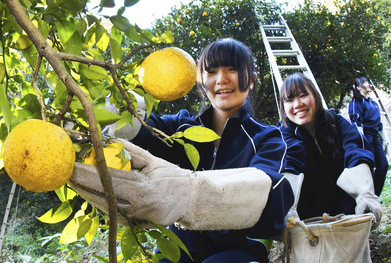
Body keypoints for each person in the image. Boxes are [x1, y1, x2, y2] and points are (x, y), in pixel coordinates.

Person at [69, 38, 301, 263]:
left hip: (240, 251)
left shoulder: (267, 137)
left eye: (232, 69)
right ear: (200, 81)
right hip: (180, 249)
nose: (221, 79)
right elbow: (145, 134)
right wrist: (115, 111)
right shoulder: (182, 128)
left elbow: (270, 190)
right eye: (211, 72)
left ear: (251, 80)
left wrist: (189, 195)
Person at [278, 72, 382, 226]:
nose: (297, 104)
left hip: (346, 212)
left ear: (315, 96)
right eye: (289, 99)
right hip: (308, 220)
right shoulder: (282, 134)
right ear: (283, 106)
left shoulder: (337, 122)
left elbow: (356, 152)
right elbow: (290, 163)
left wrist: (364, 195)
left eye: (302, 95)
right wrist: (287, 209)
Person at [349, 76, 389, 196]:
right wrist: (362, 142)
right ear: (359, 87)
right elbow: (356, 123)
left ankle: (375, 195)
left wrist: (385, 140)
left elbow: (379, 124)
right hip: (365, 137)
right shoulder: (356, 103)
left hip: (375, 137)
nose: (369, 84)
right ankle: (368, 196)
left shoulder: (373, 102)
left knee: (383, 165)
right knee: (369, 169)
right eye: (365, 82)